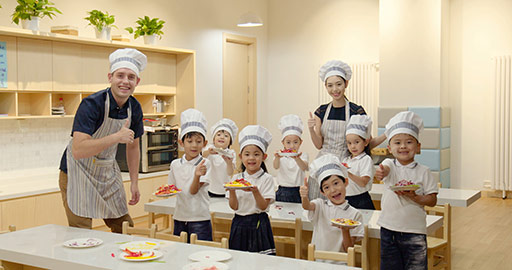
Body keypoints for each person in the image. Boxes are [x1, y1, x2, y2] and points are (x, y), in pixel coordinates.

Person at [58, 48, 146, 233]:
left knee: (125, 228)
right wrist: (116, 137)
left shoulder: (134, 108)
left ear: (137, 81)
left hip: (106, 171)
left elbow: (133, 147)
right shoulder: (92, 104)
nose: (125, 81)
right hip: (77, 172)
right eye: (120, 75)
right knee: (80, 233)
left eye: (131, 77)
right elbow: (79, 149)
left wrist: (135, 182)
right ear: (110, 77)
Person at [307, 60, 386, 200]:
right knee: (319, 206)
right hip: (323, 162)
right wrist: (311, 129)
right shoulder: (321, 111)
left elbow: (368, 142)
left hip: (346, 164)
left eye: (339, 84)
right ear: (325, 86)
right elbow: (319, 144)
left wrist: (387, 134)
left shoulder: (357, 110)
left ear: (346, 84)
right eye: (330, 85)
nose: (335, 89)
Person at [375, 111, 438, 270]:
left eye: (409, 142)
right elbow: (385, 169)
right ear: (389, 147)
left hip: (415, 232)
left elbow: (432, 200)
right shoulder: (390, 164)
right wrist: (382, 172)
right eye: (397, 142)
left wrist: (416, 198)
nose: (403, 146)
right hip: (388, 230)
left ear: (418, 147)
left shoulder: (424, 171)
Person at [299, 154, 364, 262]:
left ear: (346, 182)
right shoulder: (320, 205)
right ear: (322, 192)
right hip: (317, 263)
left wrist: (345, 230)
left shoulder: (355, 214)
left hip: (341, 265)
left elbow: (349, 249)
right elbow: (307, 206)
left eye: (336, 183)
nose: (333, 190)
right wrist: (304, 196)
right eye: (327, 187)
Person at [226, 125, 276, 255]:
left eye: (256, 154)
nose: (251, 158)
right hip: (239, 223)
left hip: (259, 223)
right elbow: (234, 207)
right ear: (240, 156)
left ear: (264, 156)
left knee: (261, 263)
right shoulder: (236, 178)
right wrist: (231, 190)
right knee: (238, 260)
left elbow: (263, 206)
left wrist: (255, 191)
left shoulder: (267, 179)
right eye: (247, 154)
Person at [168, 108, 212, 241]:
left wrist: (197, 175)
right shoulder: (175, 164)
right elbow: (171, 188)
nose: (194, 145)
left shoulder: (205, 163)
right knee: (180, 253)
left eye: (198, 142)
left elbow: (193, 191)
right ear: (181, 143)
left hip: (199, 218)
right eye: (190, 141)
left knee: (201, 253)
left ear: (204, 144)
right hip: (179, 217)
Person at [273, 114, 308, 203]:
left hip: (298, 190)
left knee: (298, 214)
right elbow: (276, 167)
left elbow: (304, 167)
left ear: (301, 142)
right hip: (282, 190)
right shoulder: (280, 155)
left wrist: (297, 158)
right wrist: (277, 157)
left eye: (295, 142)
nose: (292, 146)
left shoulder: (303, 155)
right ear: (283, 143)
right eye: (288, 142)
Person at [342, 115, 375, 210]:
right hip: (346, 199)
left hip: (361, 200)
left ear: (366, 142)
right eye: (349, 143)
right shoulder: (346, 160)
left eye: (356, 142)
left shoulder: (365, 159)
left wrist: (347, 172)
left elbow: (363, 182)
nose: (353, 146)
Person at [202, 118, 238, 198]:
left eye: (226, 136)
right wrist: (208, 152)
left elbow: (230, 173)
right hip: (209, 189)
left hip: (225, 189)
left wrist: (229, 162)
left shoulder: (231, 153)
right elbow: (202, 156)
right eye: (218, 135)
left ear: (230, 141)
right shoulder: (209, 148)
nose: (222, 137)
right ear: (213, 139)